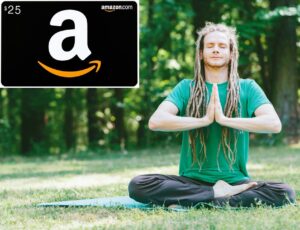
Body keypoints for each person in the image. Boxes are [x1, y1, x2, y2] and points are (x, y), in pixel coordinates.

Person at [128, 22, 296, 208]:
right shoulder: (186, 87)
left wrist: (224, 120)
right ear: (201, 53)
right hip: (191, 181)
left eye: (222, 46)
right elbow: (156, 122)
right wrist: (204, 120)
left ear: (231, 54)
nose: (216, 50)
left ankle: (199, 199)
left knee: (284, 192)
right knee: (138, 185)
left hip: (235, 182)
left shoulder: (247, 87)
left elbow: (273, 124)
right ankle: (217, 196)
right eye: (210, 46)